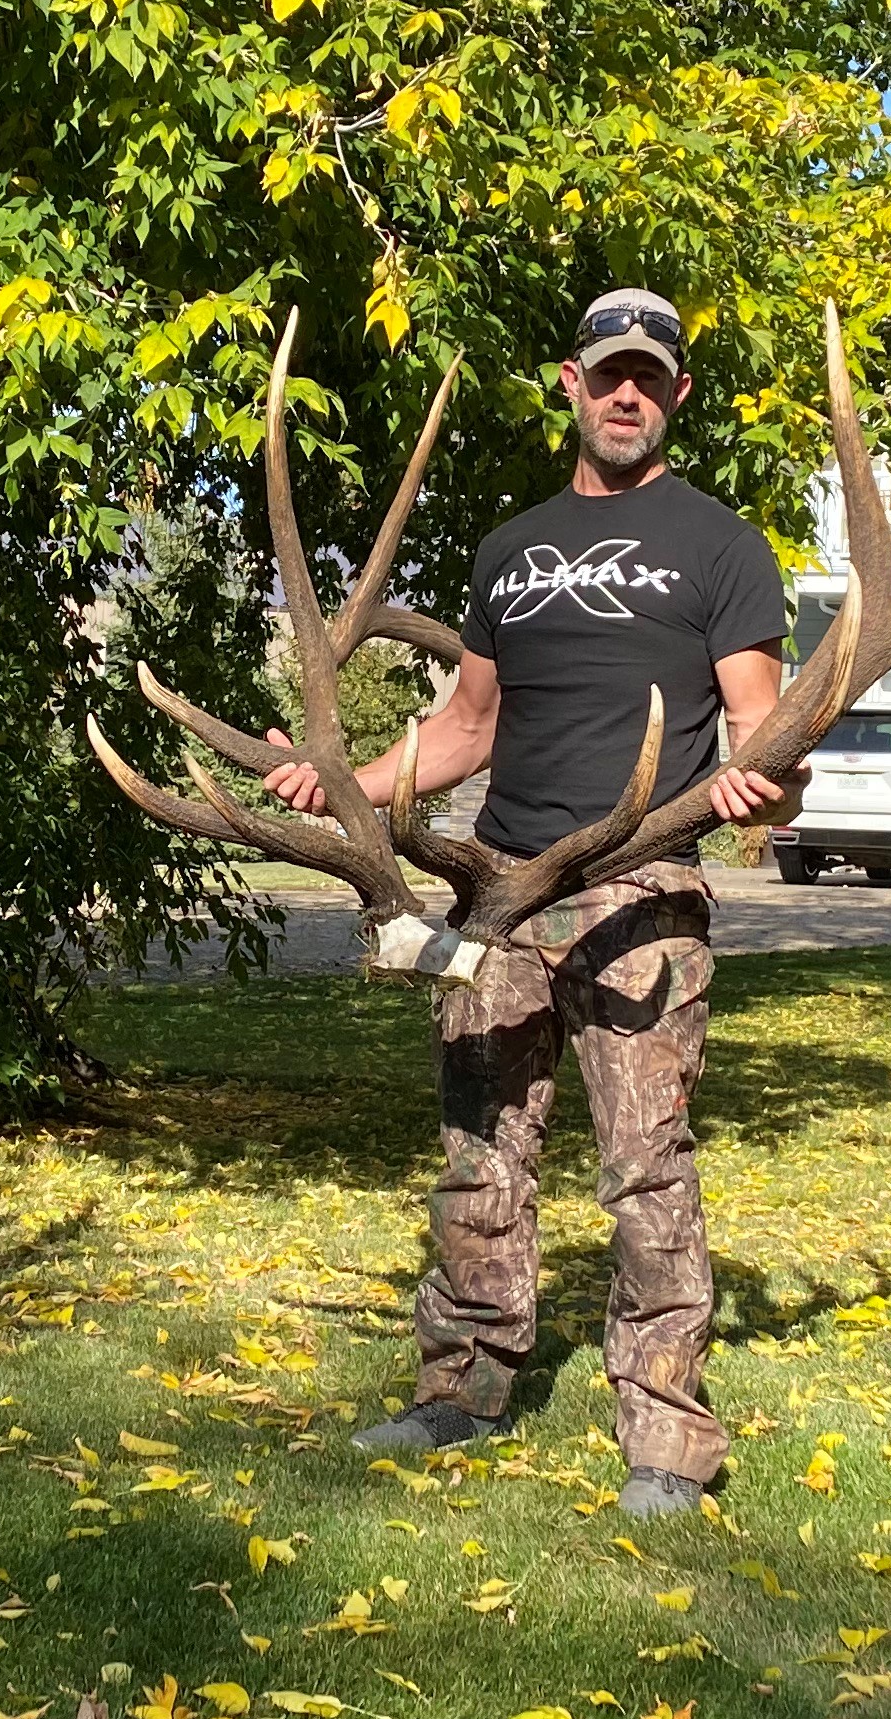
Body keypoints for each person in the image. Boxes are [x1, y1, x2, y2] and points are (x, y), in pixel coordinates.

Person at [269, 289, 792, 1522]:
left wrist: (774, 779)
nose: (627, 394)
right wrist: (344, 782)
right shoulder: (511, 549)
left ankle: (666, 1439)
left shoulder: (724, 546)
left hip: (640, 886)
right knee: (479, 1155)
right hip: (499, 889)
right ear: (572, 382)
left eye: (649, 377)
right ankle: (461, 1391)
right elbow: (468, 726)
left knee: (646, 1168)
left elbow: (762, 720)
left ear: (677, 394)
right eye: (610, 373)